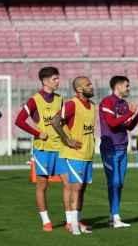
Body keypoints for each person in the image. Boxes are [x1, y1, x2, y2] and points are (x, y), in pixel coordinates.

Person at [15, 66, 70, 231]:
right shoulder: (34, 100)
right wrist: (37, 133)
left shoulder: (60, 99)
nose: (58, 81)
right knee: (42, 185)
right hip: (43, 149)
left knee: (69, 183)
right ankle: (46, 220)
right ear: (45, 81)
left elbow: (64, 122)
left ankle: (69, 220)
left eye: (58, 78)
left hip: (61, 147)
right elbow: (19, 121)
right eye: (55, 79)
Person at [99, 75, 138, 228]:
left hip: (122, 147)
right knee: (113, 182)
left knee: (119, 183)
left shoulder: (124, 104)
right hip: (110, 148)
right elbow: (112, 123)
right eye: (127, 86)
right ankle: (115, 217)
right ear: (118, 86)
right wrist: (130, 113)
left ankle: (113, 216)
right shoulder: (107, 102)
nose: (129, 88)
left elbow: (128, 127)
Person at [50, 76, 96, 235]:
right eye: (88, 85)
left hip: (87, 154)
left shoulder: (92, 106)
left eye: (91, 84)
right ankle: (73, 224)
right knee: (75, 187)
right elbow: (55, 121)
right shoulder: (71, 105)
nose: (92, 86)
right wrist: (67, 139)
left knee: (81, 189)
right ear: (79, 89)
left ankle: (77, 221)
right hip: (74, 154)